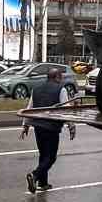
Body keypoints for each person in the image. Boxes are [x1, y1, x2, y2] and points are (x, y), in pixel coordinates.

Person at [23, 65, 74, 193]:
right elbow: (65, 110)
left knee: (43, 154)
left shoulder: (37, 89)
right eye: (60, 77)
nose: (61, 80)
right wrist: (71, 125)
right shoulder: (61, 90)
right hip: (51, 127)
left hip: (38, 127)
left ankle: (43, 183)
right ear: (56, 77)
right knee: (51, 157)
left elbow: (30, 108)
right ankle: (34, 175)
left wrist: (26, 125)